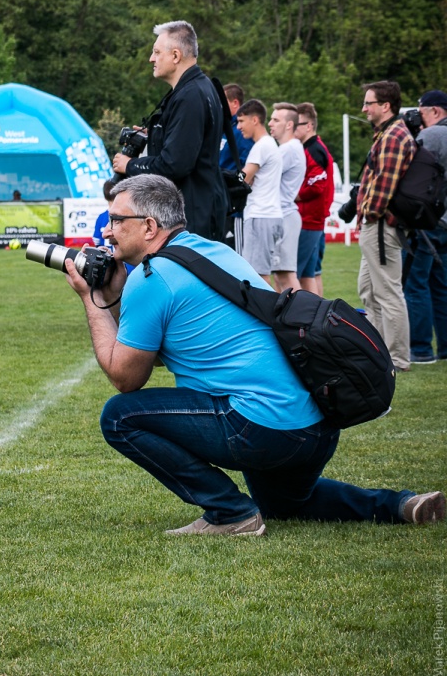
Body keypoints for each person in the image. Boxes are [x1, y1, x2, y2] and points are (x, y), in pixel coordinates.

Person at [64, 174, 445, 535]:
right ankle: (400, 505)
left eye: (116, 219)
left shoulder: (152, 277)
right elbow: (152, 354)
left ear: (149, 226)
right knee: (286, 503)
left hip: (261, 430)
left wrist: (92, 299)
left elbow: (125, 377)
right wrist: (115, 298)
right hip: (314, 428)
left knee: (119, 416)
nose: (106, 230)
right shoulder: (212, 251)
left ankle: (230, 513)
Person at [111, 20, 228, 241]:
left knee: (186, 275)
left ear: (175, 56)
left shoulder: (190, 96)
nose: (151, 59)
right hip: (197, 208)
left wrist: (130, 165)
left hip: (191, 216)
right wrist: (154, 136)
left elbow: (175, 164)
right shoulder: (197, 88)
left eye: (156, 52)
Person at [357, 80, 416, 373]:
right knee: (368, 290)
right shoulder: (387, 132)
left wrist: (367, 212)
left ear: (385, 106)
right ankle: (379, 352)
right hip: (376, 227)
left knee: (388, 293)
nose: (364, 108)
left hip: (380, 227)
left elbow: (383, 186)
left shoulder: (393, 135)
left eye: (369, 103)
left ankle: (397, 359)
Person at [404, 89, 447, 363]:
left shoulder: (432, 135)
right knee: (441, 286)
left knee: (415, 284)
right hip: (446, 223)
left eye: (420, 111)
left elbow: (409, 168)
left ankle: (420, 349)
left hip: (428, 221)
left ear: (435, 111)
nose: (418, 117)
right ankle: (444, 347)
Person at [236, 98, 282, 285]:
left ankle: (262, 315)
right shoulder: (269, 144)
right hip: (268, 215)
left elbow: (244, 179)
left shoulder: (262, 146)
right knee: (259, 274)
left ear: (254, 120)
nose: (238, 127)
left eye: (241, 121)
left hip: (260, 215)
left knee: (257, 277)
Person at [294, 103, 335, 296]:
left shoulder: (314, 150)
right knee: (309, 275)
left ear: (309, 126)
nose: (293, 128)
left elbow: (317, 185)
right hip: (313, 220)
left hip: (309, 220)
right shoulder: (313, 148)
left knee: (293, 274)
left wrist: (294, 195)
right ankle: (317, 321)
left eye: (297, 124)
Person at [268, 102, 306, 292]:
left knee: (286, 276)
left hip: (285, 216)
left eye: (275, 119)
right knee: (280, 276)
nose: (270, 123)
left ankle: (302, 320)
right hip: (284, 216)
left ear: (289, 125)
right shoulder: (289, 148)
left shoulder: (288, 149)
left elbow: (261, 175)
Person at [219, 83, 253, 253]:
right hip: (219, 204)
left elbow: (247, 171)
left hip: (234, 208)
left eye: (222, 100)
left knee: (236, 256)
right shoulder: (223, 129)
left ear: (235, 103)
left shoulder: (242, 133)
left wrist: (233, 183)